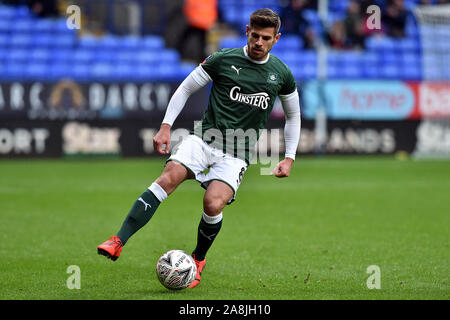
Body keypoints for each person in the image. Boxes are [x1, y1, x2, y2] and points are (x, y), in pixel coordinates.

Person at [97, 8, 301, 288]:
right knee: (168, 177)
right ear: (247, 32)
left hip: (237, 152)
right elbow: (185, 89)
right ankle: (118, 239)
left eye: (266, 38)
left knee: (213, 203)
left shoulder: (281, 74)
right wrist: (166, 125)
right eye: (255, 35)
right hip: (204, 138)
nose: (258, 42)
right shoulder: (223, 59)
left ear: (276, 38)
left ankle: (198, 259)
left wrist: (289, 157)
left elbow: (294, 116)